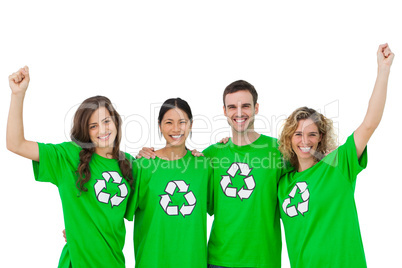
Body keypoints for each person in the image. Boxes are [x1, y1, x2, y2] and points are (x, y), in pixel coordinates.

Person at [139, 82, 289, 268]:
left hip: (264, 259)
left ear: (256, 108)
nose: (239, 113)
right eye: (232, 107)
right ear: (224, 110)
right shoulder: (210, 156)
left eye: (246, 106)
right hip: (219, 260)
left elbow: (307, 174)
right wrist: (145, 154)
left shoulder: (279, 151)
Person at [277, 43, 394, 267]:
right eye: (298, 134)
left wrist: (383, 70)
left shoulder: (338, 164)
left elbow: (369, 124)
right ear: (289, 137)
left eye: (312, 134)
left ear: (321, 137)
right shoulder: (282, 183)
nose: (305, 141)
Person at [6, 66, 135, 268]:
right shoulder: (69, 157)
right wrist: (17, 95)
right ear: (86, 130)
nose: (102, 130)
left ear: (115, 121)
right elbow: (16, 144)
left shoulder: (130, 164)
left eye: (106, 121)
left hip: (114, 263)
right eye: (93, 126)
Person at [126, 98, 213, 267]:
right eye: (169, 122)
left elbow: (222, 208)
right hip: (152, 260)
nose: (176, 128)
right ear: (159, 125)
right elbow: (114, 210)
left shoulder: (203, 167)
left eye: (182, 122)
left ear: (191, 124)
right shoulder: (143, 165)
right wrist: (78, 228)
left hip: (192, 261)